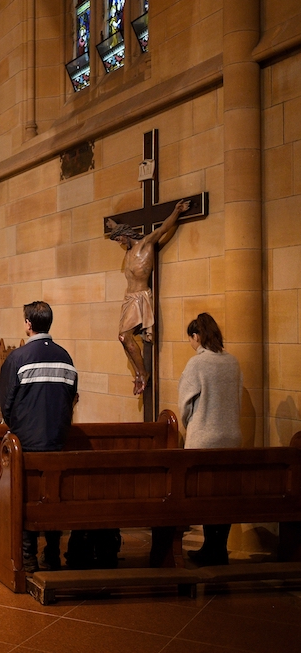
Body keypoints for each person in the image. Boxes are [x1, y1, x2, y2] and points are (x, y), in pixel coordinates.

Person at [0, 301, 78, 572]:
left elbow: (6, 403)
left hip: (27, 442)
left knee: (28, 497)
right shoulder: (65, 357)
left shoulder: (18, 357)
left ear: (29, 324)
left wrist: (19, 426)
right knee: (52, 497)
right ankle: (53, 553)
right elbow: (71, 398)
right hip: (57, 439)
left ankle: (28, 556)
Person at [107, 198, 191, 395]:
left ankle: (143, 373)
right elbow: (120, 231)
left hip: (140, 297)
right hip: (129, 299)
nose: (119, 243)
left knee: (125, 336)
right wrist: (113, 226)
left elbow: (162, 230)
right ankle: (138, 372)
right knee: (122, 338)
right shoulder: (128, 249)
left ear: (127, 235)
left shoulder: (145, 244)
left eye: (119, 239)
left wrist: (176, 212)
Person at [178, 312, 243, 566]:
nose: (192, 344)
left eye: (191, 338)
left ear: (197, 336)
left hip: (204, 437)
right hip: (230, 436)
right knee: (224, 495)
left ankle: (209, 549)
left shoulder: (197, 364)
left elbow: (185, 403)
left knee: (205, 495)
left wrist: (191, 424)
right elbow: (237, 398)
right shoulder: (233, 362)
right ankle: (219, 548)